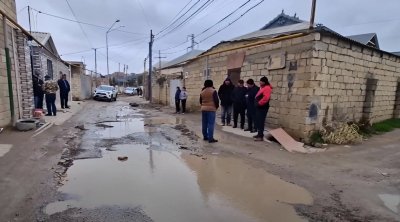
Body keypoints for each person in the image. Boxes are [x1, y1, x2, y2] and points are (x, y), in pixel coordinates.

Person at [254, 76, 272, 141]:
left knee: (261, 121)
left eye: (261, 81)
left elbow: (266, 98)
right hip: (260, 107)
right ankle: (259, 134)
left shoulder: (267, 88)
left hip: (262, 107)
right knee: (259, 121)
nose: (260, 82)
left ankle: (260, 136)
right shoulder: (263, 87)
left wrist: (259, 104)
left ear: (264, 82)